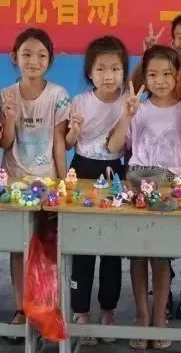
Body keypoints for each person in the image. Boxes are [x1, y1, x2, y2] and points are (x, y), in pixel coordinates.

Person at [108, 46, 181, 350]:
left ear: (178, 75)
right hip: (137, 181)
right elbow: (116, 147)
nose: (160, 80)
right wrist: (127, 115)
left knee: (161, 256)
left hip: (169, 184)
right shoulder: (137, 108)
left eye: (167, 74)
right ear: (144, 76)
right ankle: (142, 317)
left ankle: (159, 319)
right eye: (153, 74)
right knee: (138, 254)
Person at [0, 28, 71, 334]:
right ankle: (21, 306)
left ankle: (48, 306)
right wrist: (10, 118)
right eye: (26, 54)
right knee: (19, 248)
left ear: (50, 60)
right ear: (14, 57)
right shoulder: (5, 95)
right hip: (15, 181)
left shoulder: (58, 95)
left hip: (47, 183)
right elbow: (5, 143)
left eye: (41, 55)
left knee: (49, 245)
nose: (33, 61)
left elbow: (59, 142)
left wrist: (63, 183)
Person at [137, 11, 181, 319]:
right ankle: (159, 300)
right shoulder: (155, 80)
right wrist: (146, 55)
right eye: (180, 37)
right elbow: (137, 91)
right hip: (149, 169)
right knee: (154, 244)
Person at [66, 35, 130, 343]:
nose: (108, 75)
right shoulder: (80, 101)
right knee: (81, 246)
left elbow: (123, 145)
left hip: (115, 172)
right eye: (101, 68)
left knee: (111, 247)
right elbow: (68, 142)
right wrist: (74, 131)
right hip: (82, 171)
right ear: (90, 72)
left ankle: (108, 309)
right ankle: (80, 311)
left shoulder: (128, 101)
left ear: (123, 72)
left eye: (115, 69)